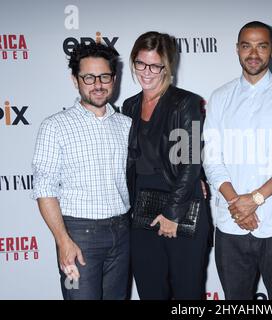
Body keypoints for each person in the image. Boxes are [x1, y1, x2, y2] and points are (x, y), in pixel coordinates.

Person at [203, 21, 272, 300]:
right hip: (230, 224)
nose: (254, 53)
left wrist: (255, 200)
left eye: (261, 46)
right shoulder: (220, 97)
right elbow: (212, 159)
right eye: (246, 45)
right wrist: (237, 205)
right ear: (237, 50)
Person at [31, 43, 131, 300]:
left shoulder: (127, 125)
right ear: (75, 81)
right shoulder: (55, 126)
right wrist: (63, 241)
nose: (97, 84)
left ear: (114, 79)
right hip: (78, 237)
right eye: (88, 77)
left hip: (122, 233)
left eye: (104, 76)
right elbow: (45, 189)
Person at [123, 31, 209, 300]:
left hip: (180, 205)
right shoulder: (129, 106)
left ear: (167, 66)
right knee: (150, 290)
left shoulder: (185, 103)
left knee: (187, 293)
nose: (146, 72)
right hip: (141, 210)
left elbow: (190, 160)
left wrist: (173, 213)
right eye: (140, 63)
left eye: (155, 65)